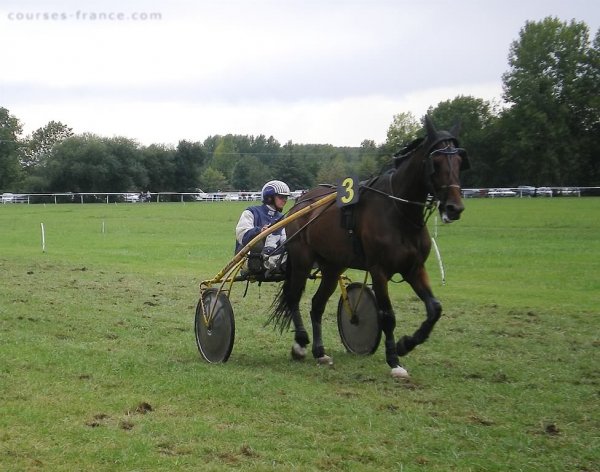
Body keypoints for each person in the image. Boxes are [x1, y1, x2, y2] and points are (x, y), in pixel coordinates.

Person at [235, 180, 290, 273]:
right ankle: (257, 264)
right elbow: (242, 236)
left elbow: (284, 240)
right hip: (248, 257)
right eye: (281, 197)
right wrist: (259, 231)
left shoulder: (282, 218)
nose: (285, 200)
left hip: (274, 257)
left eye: (286, 197)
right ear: (269, 197)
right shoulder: (251, 212)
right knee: (257, 243)